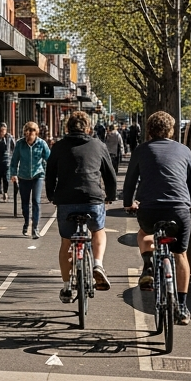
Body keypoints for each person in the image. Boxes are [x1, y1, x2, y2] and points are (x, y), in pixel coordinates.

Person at [121, 110, 191, 324]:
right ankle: (182, 307)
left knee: (145, 235)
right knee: (180, 255)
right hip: (179, 210)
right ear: (171, 131)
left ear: (149, 131)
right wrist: (190, 203)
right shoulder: (184, 150)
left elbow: (130, 182)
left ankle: (148, 265)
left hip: (150, 210)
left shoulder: (141, 150)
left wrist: (128, 203)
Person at [45, 110, 117, 302]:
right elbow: (109, 175)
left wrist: (52, 195)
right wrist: (110, 196)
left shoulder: (59, 147)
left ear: (67, 128)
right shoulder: (98, 145)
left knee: (66, 242)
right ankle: (98, 265)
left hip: (66, 201)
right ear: (88, 128)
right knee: (98, 231)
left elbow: (50, 173)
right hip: (92, 200)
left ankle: (67, 287)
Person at [10, 121, 50, 239]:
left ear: (36, 133)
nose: (30, 134)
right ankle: (27, 222)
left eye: (32, 132)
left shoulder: (42, 144)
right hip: (23, 176)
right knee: (25, 203)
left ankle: (35, 227)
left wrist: (52, 172)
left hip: (38, 175)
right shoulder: (20, 144)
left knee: (36, 201)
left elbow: (49, 158)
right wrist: (13, 174)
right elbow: (14, 161)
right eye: (28, 132)